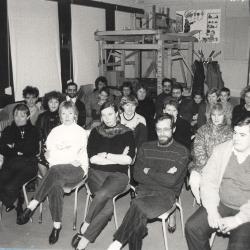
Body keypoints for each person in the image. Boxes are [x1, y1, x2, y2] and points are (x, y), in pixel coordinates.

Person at [107, 114, 189, 250]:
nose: (162, 133)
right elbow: (137, 175)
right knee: (138, 210)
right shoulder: (145, 147)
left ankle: (118, 241)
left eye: (166, 129)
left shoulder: (182, 151)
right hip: (143, 192)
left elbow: (171, 181)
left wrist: (148, 170)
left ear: (173, 129)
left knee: (136, 205)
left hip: (166, 196)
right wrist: (163, 174)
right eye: (159, 129)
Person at [17, 101, 89, 245]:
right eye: (63, 113)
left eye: (70, 113)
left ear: (75, 115)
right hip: (57, 170)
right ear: (60, 116)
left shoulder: (80, 132)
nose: (67, 116)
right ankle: (57, 225)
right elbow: (48, 155)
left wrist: (59, 155)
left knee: (54, 170)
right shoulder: (55, 131)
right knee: (55, 184)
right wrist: (63, 155)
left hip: (77, 169)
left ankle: (33, 204)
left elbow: (73, 157)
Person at [72, 101, 136, 250]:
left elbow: (128, 160)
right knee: (107, 209)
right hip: (96, 174)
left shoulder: (127, 132)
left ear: (117, 114)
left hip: (119, 176)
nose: (107, 118)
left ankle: (86, 225)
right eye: (103, 115)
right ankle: (86, 239)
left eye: (110, 114)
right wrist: (117, 157)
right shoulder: (96, 132)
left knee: (102, 193)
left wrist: (106, 155)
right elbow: (92, 158)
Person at [185, 116, 250, 250]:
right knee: (192, 228)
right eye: (235, 133)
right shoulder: (222, 150)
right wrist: (212, 210)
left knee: (238, 246)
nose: (236, 138)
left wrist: (238, 219)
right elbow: (209, 181)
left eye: (242, 135)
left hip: (246, 211)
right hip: (221, 203)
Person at [0, 104, 39, 218]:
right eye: (16, 115)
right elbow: (2, 148)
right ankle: (15, 201)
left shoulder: (34, 130)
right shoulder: (8, 130)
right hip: (10, 164)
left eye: (22, 116)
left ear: (27, 117)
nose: (18, 118)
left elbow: (31, 149)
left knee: (9, 187)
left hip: (28, 165)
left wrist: (13, 146)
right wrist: (18, 150)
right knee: (3, 183)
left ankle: (16, 202)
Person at [189, 103, 233, 205]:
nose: (216, 118)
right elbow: (198, 151)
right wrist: (207, 168)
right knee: (193, 180)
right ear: (210, 116)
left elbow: (228, 155)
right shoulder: (202, 130)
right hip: (202, 166)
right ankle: (201, 201)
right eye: (213, 115)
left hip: (221, 169)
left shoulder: (230, 133)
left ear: (224, 116)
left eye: (219, 115)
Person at [36, 91, 64, 176]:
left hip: (60, 146)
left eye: (56, 102)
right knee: (40, 160)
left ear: (60, 103)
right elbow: (39, 136)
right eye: (51, 102)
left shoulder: (63, 116)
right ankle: (47, 181)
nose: (53, 104)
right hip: (45, 147)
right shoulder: (42, 117)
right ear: (46, 103)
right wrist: (39, 150)